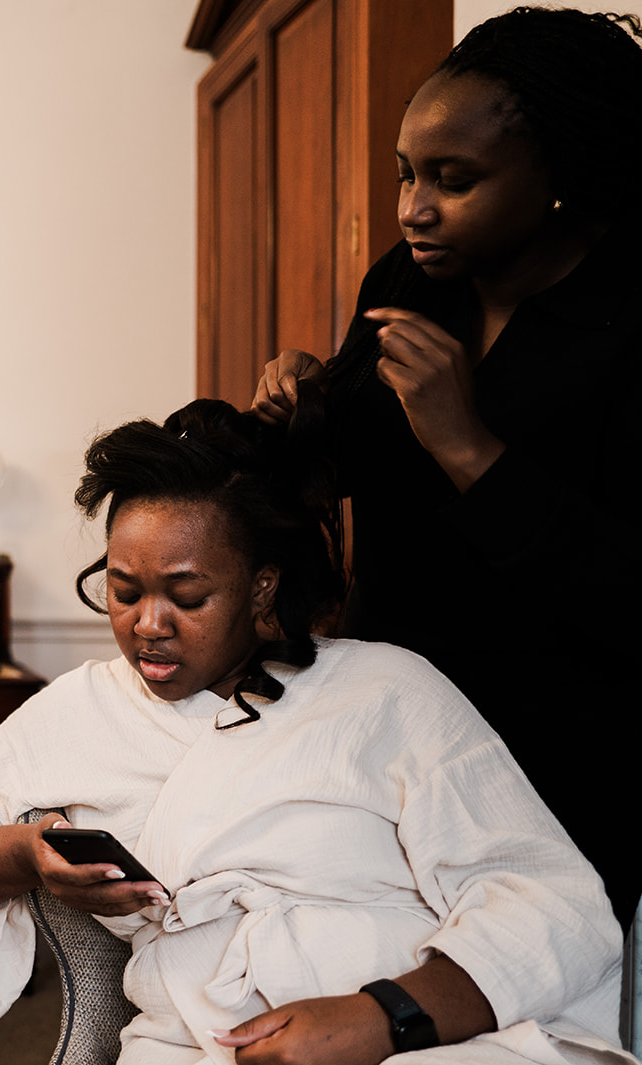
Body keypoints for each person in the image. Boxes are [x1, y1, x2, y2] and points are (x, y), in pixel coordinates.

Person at [0, 399, 633, 1065]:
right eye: (124, 591)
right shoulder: (74, 713)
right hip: (193, 1041)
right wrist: (30, 855)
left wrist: (381, 1017)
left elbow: (549, 898)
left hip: (430, 1033)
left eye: (186, 596)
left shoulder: (386, 692)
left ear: (262, 587)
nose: (147, 624)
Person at [250, 6, 641, 922]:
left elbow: (627, 596)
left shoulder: (630, 321)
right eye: (406, 173)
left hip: (557, 764)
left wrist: (469, 447)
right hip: (389, 728)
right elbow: (344, 469)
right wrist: (302, 411)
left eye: (452, 179)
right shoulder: (407, 277)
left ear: (560, 176)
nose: (411, 207)